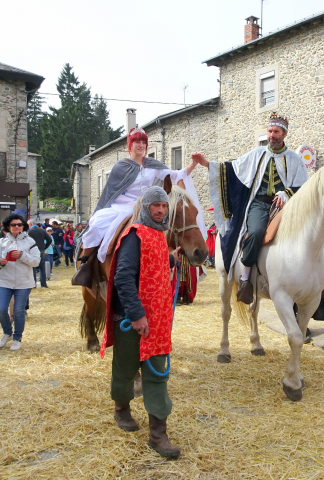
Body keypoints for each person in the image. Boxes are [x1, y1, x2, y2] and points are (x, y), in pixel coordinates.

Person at [191, 113, 309, 304]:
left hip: (287, 205)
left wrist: (287, 193)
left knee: (309, 231)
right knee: (254, 232)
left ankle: (318, 283)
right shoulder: (257, 154)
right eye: (270, 131)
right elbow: (231, 168)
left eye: (276, 132)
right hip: (260, 204)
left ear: (284, 134)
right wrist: (205, 164)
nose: (272, 135)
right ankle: (245, 281)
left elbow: (305, 186)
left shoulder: (295, 159)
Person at [100, 187, 182, 458]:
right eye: (155, 206)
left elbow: (154, 265)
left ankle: (158, 435)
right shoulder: (134, 235)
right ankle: (121, 408)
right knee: (125, 370)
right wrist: (136, 315)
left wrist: (171, 259)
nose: (160, 210)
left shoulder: (159, 234)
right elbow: (124, 277)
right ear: (145, 207)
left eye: (163, 206)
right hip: (131, 320)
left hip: (157, 323)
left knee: (158, 374)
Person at [73, 127, 205, 288]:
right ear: (130, 145)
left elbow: (176, 175)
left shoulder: (152, 165)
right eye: (137, 142)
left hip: (146, 205)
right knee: (96, 224)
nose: (141, 145)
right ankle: (85, 264)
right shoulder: (121, 166)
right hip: (121, 204)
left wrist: (194, 163)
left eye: (144, 142)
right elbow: (112, 191)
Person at [0, 213, 41, 351]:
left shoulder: (29, 242)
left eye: (19, 225)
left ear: (23, 226)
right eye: (13, 225)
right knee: (1, 309)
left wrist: (21, 255)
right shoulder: (2, 242)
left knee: (19, 311)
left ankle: (17, 337)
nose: (16, 227)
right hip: (5, 280)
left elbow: (36, 261)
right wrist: (0, 262)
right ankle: (7, 332)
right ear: (8, 226)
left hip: (23, 281)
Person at [28, 220, 53, 288]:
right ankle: (43, 284)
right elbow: (49, 240)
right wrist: (45, 247)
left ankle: (33, 284)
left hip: (32, 251)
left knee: (33, 268)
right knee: (42, 268)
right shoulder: (42, 230)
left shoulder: (29, 231)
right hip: (41, 250)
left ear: (30, 224)